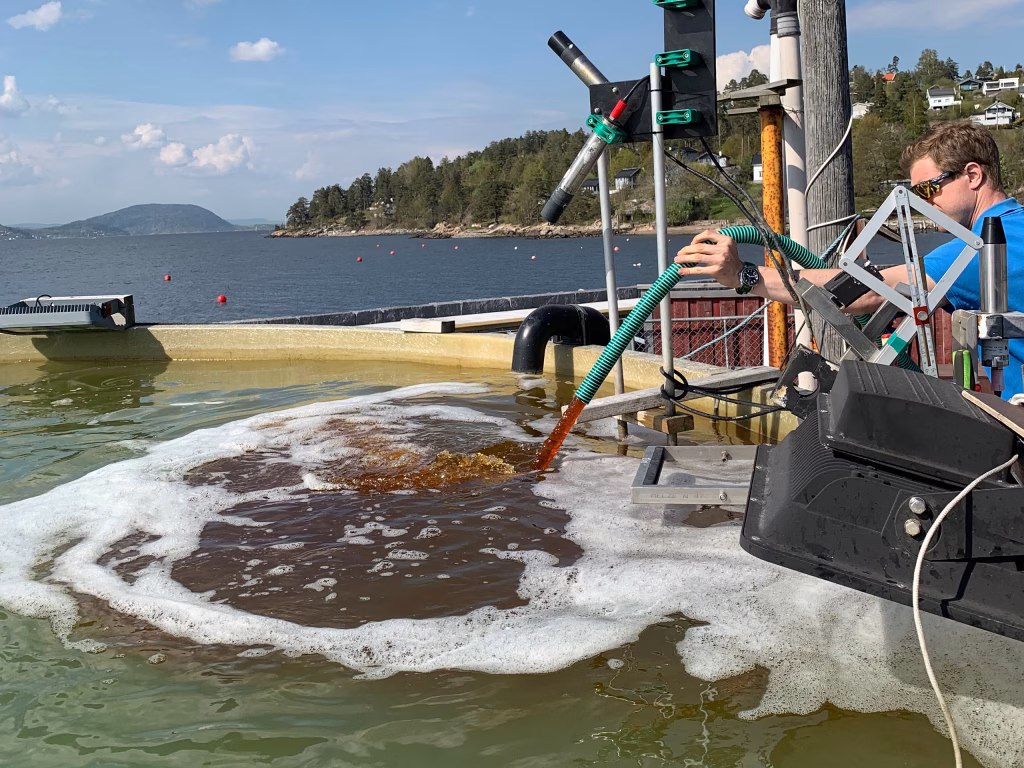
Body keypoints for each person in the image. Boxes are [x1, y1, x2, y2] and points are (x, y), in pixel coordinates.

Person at [674, 121, 1024, 399]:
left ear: (973, 175)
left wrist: (744, 275)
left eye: (928, 189)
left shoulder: (984, 247)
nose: (923, 202)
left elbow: (866, 293)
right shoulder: (1016, 224)